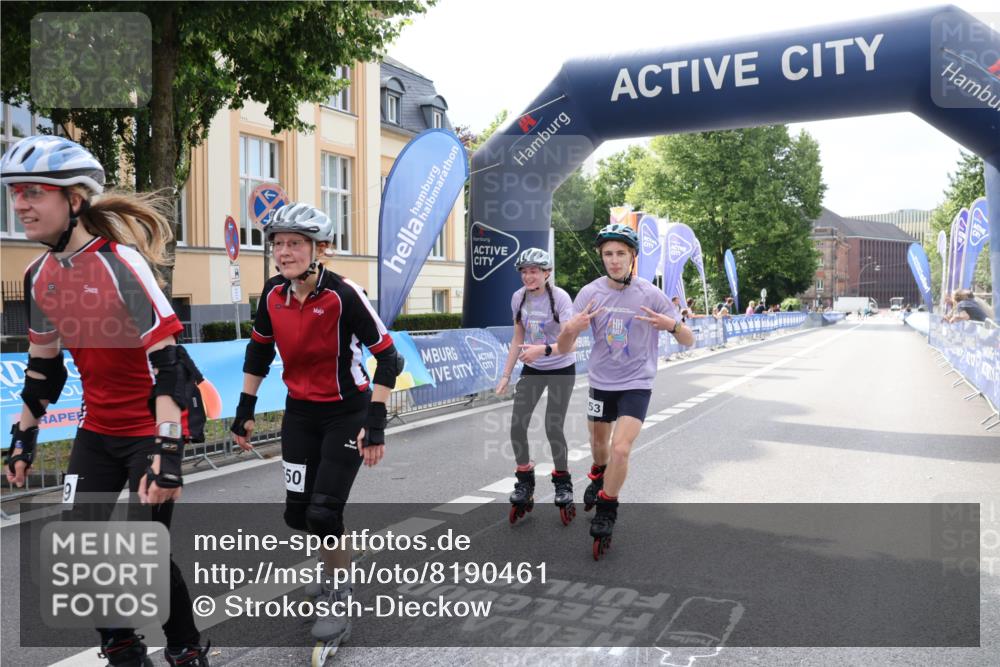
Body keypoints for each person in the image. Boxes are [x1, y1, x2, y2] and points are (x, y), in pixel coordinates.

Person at [1, 135, 210, 666]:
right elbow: (44, 369)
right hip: (98, 431)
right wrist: (23, 434)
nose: (19, 204)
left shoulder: (123, 265)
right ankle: (120, 645)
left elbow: (169, 366)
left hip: (151, 425)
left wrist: (167, 449)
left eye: (33, 193)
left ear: (74, 200)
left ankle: (186, 649)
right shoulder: (38, 275)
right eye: (15, 193)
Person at [230, 202, 403, 648]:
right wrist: (244, 412)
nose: (284, 252)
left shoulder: (344, 295)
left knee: (326, 511)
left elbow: (389, 357)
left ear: (319, 248)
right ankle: (331, 569)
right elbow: (259, 354)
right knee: (299, 513)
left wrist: (376, 423)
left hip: (347, 411)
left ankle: (339, 593)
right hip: (301, 413)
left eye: (295, 244)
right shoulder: (272, 295)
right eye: (278, 244)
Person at [557, 223, 694, 559]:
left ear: (633, 256)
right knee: (600, 448)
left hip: (637, 382)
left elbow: (688, 339)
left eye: (620, 253)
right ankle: (597, 473)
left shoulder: (651, 294)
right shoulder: (589, 293)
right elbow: (563, 348)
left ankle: (607, 508)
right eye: (608, 254)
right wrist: (571, 329)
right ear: (602, 258)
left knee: (621, 449)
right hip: (601, 382)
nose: (614, 260)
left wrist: (673, 325)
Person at [495, 248, 577, 526]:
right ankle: (524, 480)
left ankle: (563, 482)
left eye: (534, 271)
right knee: (517, 425)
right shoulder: (518, 298)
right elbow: (518, 338)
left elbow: (570, 343)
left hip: (561, 367)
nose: (528, 276)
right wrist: (506, 375)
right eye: (524, 271)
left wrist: (542, 350)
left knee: (553, 426)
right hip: (532, 368)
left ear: (546, 273)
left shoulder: (561, 298)